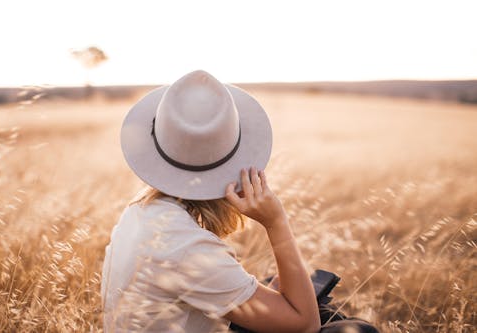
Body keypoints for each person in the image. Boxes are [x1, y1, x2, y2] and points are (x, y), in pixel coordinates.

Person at [101, 70, 379, 332]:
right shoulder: (187, 247)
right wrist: (276, 223)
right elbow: (305, 325)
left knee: (316, 306)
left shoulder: (139, 212)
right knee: (354, 329)